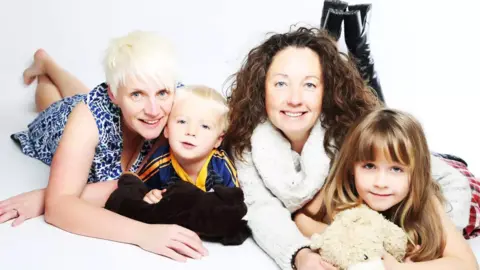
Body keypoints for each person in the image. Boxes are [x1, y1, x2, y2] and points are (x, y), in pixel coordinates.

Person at [222, 27, 472, 270]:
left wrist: (430, 240)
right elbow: (265, 211)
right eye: (280, 84)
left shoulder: (355, 130)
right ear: (261, 88)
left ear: (326, 90)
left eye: (309, 85)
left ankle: (354, 36)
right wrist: (299, 254)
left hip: (447, 176)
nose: (294, 98)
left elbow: (438, 177)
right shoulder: (248, 142)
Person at [0, 31, 208, 262]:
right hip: (60, 123)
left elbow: (139, 178)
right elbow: (58, 209)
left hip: (99, 107)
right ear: (114, 95)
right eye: (137, 94)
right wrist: (145, 234)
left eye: (162, 93)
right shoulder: (87, 118)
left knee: (82, 96)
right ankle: (46, 70)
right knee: (51, 106)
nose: (153, 110)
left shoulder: (178, 104)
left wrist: (44, 195)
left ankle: (48, 63)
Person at [296, 108, 478, 269]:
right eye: (369, 166)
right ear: (352, 167)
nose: (380, 182)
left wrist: (400, 268)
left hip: (462, 182)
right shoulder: (340, 190)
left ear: (415, 175)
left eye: (396, 169)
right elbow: (300, 218)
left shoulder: (428, 201)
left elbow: (467, 265)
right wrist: (350, 237)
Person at [137, 84, 238, 204]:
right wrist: (149, 195)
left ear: (218, 140)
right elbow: (137, 190)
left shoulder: (221, 165)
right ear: (167, 129)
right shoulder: (159, 162)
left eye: (205, 126)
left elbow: (235, 203)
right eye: (182, 121)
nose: (191, 132)